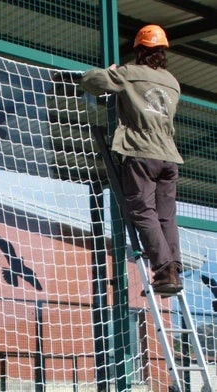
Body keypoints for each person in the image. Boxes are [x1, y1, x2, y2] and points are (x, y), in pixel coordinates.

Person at [81, 25, 183, 295]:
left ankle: (163, 268)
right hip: (169, 156)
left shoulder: (129, 73)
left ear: (139, 50)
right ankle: (173, 268)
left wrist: (111, 70)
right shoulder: (173, 82)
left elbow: (92, 81)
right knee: (167, 215)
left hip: (141, 151)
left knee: (141, 208)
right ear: (163, 52)